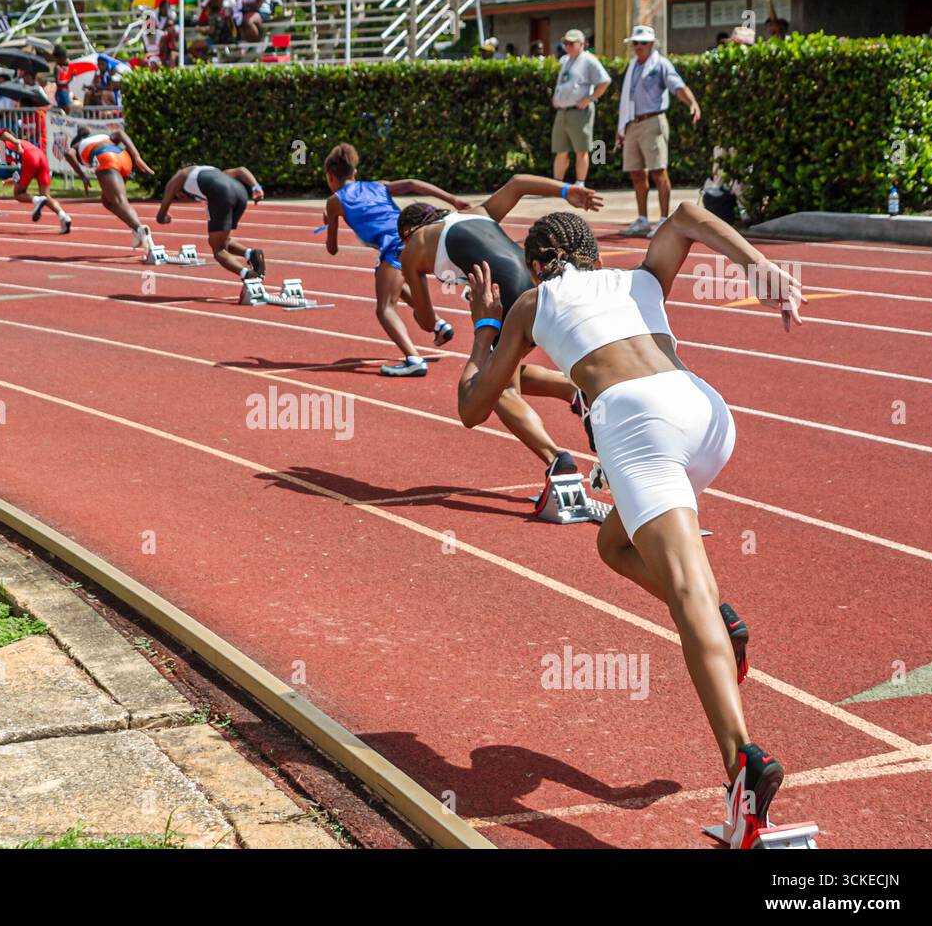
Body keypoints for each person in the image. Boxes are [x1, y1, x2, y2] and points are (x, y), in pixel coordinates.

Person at [455, 201, 803, 847]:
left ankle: (743, 765)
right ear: (592, 251)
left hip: (640, 426)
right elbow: (685, 215)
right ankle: (723, 623)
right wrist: (759, 265)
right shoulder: (641, 279)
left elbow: (475, 405)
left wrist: (484, 325)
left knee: (687, 593)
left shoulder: (531, 302)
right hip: (706, 413)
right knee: (613, 544)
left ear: (536, 263)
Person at [396, 174, 603, 490]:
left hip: (509, 301)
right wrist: (566, 190)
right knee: (507, 368)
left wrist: (418, 308)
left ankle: (555, 458)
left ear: (409, 231)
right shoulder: (477, 212)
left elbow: (426, 320)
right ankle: (572, 390)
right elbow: (518, 183)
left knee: (496, 389)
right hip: (539, 287)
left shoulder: (413, 248)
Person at [322, 143, 469, 377]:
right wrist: (453, 199)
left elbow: (332, 249)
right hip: (417, 238)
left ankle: (413, 358)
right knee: (392, 284)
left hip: (394, 246)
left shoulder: (334, 202)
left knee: (384, 309)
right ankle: (439, 325)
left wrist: (329, 219)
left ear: (330, 177)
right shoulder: (378, 186)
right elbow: (411, 183)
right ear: (355, 172)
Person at [615, 24, 701, 238]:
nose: (638, 46)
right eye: (635, 42)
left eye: (643, 42)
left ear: (652, 44)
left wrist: (692, 103)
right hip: (632, 124)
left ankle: (663, 220)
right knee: (636, 173)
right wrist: (622, 127)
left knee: (658, 171)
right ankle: (643, 219)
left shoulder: (661, 64)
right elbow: (627, 100)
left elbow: (677, 86)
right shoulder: (633, 65)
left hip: (653, 121)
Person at [156, 164, 267, 283]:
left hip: (222, 194)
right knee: (221, 239)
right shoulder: (210, 171)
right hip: (241, 193)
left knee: (218, 250)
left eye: (178, 196)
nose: (180, 197)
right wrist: (256, 187)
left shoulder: (178, 178)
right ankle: (250, 254)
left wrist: (164, 217)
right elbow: (241, 171)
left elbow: (160, 216)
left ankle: (249, 275)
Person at [65, 127, 154, 248]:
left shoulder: (76, 147)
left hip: (106, 160)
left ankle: (140, 229)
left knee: (120, 202)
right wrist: (137, 157)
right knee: (108, 201)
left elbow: (68, 153)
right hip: (124, 158)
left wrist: (83, 177)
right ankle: (137, 229)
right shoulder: (101, 137)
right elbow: (119, 133)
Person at [551, 29, 611, 190]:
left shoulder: (589, 60)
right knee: (560, 150)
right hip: (563, 111)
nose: (567, 46)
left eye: (571, 43)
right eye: (566, 43)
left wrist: (590, 98)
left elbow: (604, 81)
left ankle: (580, 183)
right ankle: (557, 184)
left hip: (580, 112)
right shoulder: (565, 60)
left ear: (582, 44)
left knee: (581, 149)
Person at [0, 127, 72, 234]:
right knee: (46, 195)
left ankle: (37, 200)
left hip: (29, 157)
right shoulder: (22, 144)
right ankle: (64, 216)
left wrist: (15, 142)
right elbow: (22, 169)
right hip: (41, 156)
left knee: (18, 194)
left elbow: (2, 134)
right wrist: (13, 179)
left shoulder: (6, 144)